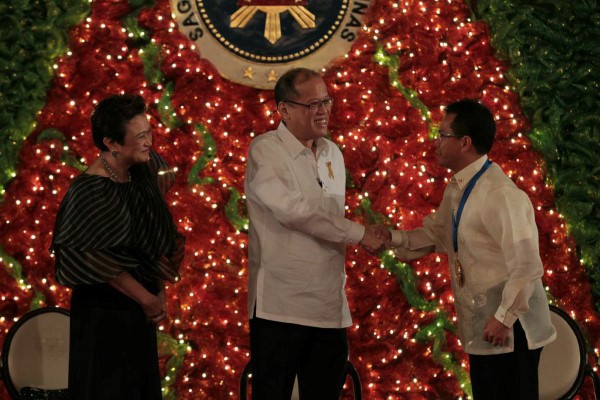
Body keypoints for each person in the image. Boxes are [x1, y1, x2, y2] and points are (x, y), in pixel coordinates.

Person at [380, 99, 556, 399]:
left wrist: (503, 318)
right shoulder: (458, 187)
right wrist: (390, 239)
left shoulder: (502, 194)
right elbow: (437, 234)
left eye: (442, 135)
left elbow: (527, 267)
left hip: (512, 330)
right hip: (483, 327)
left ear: (464, 143)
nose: (435, 142)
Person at [244, 68, 385, 399]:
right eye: (312, 104)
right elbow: (294, 212)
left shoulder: (332, 153)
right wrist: (360, 232)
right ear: (284, 110)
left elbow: (328, 220)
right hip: (280, 307)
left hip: (328, 308)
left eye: (326, 102)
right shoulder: (266, 150)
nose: (322, 111)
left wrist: (366, 235)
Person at [51, 94, 185, 400]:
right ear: (112, 143)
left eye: (149, 132)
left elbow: (154, 237)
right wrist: (147, 299)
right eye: (140, 136)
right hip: (105, 314)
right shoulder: (89, 190)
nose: (149, 141)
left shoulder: (143, 172)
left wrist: (158, 291)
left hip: (141, 306)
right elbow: (97, 259)